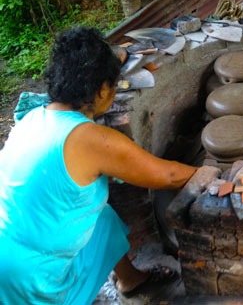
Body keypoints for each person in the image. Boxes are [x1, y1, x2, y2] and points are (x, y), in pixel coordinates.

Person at [0, 27, 197, 305]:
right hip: (27, 277)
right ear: (102, 89)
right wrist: (213, 173)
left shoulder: (33, 118)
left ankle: (131, 280)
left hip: (12, 243)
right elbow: (168, 175)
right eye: (113, 85)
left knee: (102, 218)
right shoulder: (88, 138)